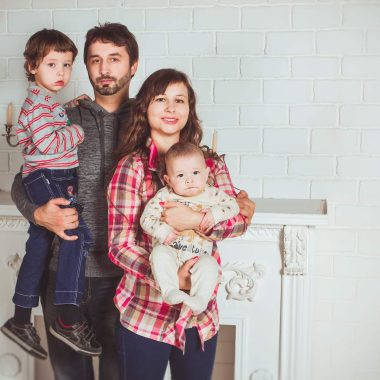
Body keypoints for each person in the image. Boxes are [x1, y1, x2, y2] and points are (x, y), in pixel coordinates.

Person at [10, 22, 139, 380]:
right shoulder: (63, 115)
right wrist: (37, 212)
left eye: (115, 58)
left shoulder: (149, 119)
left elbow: (184, 169)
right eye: (95, 60)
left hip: (124, 276)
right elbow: (25, 179)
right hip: (64, 271)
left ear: (134, 65)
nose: (105, 68)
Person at [108, 68, 255, 380]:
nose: (171, 108)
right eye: (161, 99)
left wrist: (197, 220)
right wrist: (170, 276)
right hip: (146, 313)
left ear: (190, 109)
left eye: (180, 100)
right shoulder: (131, 168)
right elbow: (119, 246)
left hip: (200, 317)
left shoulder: (210, 164)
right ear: (145, 108)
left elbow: (239, 221)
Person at [1, 28, 103, 359]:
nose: (61, 73)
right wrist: (77, 130)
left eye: (67, 65)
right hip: (47, 178)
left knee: (40, 246)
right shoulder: (36, 105)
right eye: (52, 64)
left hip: (50, 176)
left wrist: (68, 108)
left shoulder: (47, 103)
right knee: (76, 235)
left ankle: (20, 319)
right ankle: (68, 319)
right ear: (32, 66)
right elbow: (49, 142)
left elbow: (47, 123)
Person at [140, 141, 240, 315]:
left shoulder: (212, 194)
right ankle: (170, 290)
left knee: (210, 265)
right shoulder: (164, 195)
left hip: (198, 256)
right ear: (168, 180)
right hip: (171, 251)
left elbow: (234, 206)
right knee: (159, 254)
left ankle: (200, 299)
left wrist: (214, 214)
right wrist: (162, 231)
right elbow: (146, 219)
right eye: (180, 175)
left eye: (195, 172)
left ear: (207, 173)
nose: (189, 179)